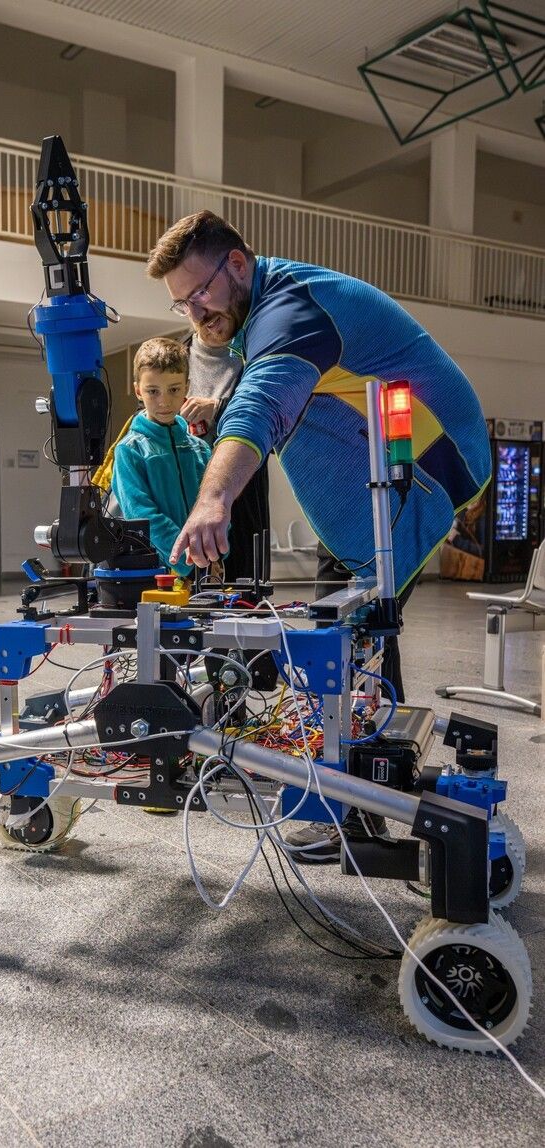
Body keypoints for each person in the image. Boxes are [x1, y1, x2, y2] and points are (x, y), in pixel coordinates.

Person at [148, 211, 491, 859]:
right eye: (180, 302)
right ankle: (354, 765)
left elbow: (263, 405)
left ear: (238, 265)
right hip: (393, 455)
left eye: (200, 292)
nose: (195, 311)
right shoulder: (270, 308)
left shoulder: (289, 311)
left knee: (356, 622)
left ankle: (352, 808)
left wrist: (214, 497)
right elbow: (263, 394)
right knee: (347, 613)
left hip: (434, 458)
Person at [111, 337, 211, 578]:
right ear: (138, 390)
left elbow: (214, 505)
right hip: (157, 572)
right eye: (152, 391)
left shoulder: (200, 449)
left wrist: (213, 552)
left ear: (186, 387)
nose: (164, 401)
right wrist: (187, 558)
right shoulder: (129, 450)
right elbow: (142, 515)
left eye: (174, 389)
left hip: (207, 568)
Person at [180, 333, 271, 583]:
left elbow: (280, 426)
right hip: (183, 509)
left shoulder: (259, 353)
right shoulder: (177, 355)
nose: (204, 312)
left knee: (247, 607)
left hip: (242, 514)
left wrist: (219, 409)